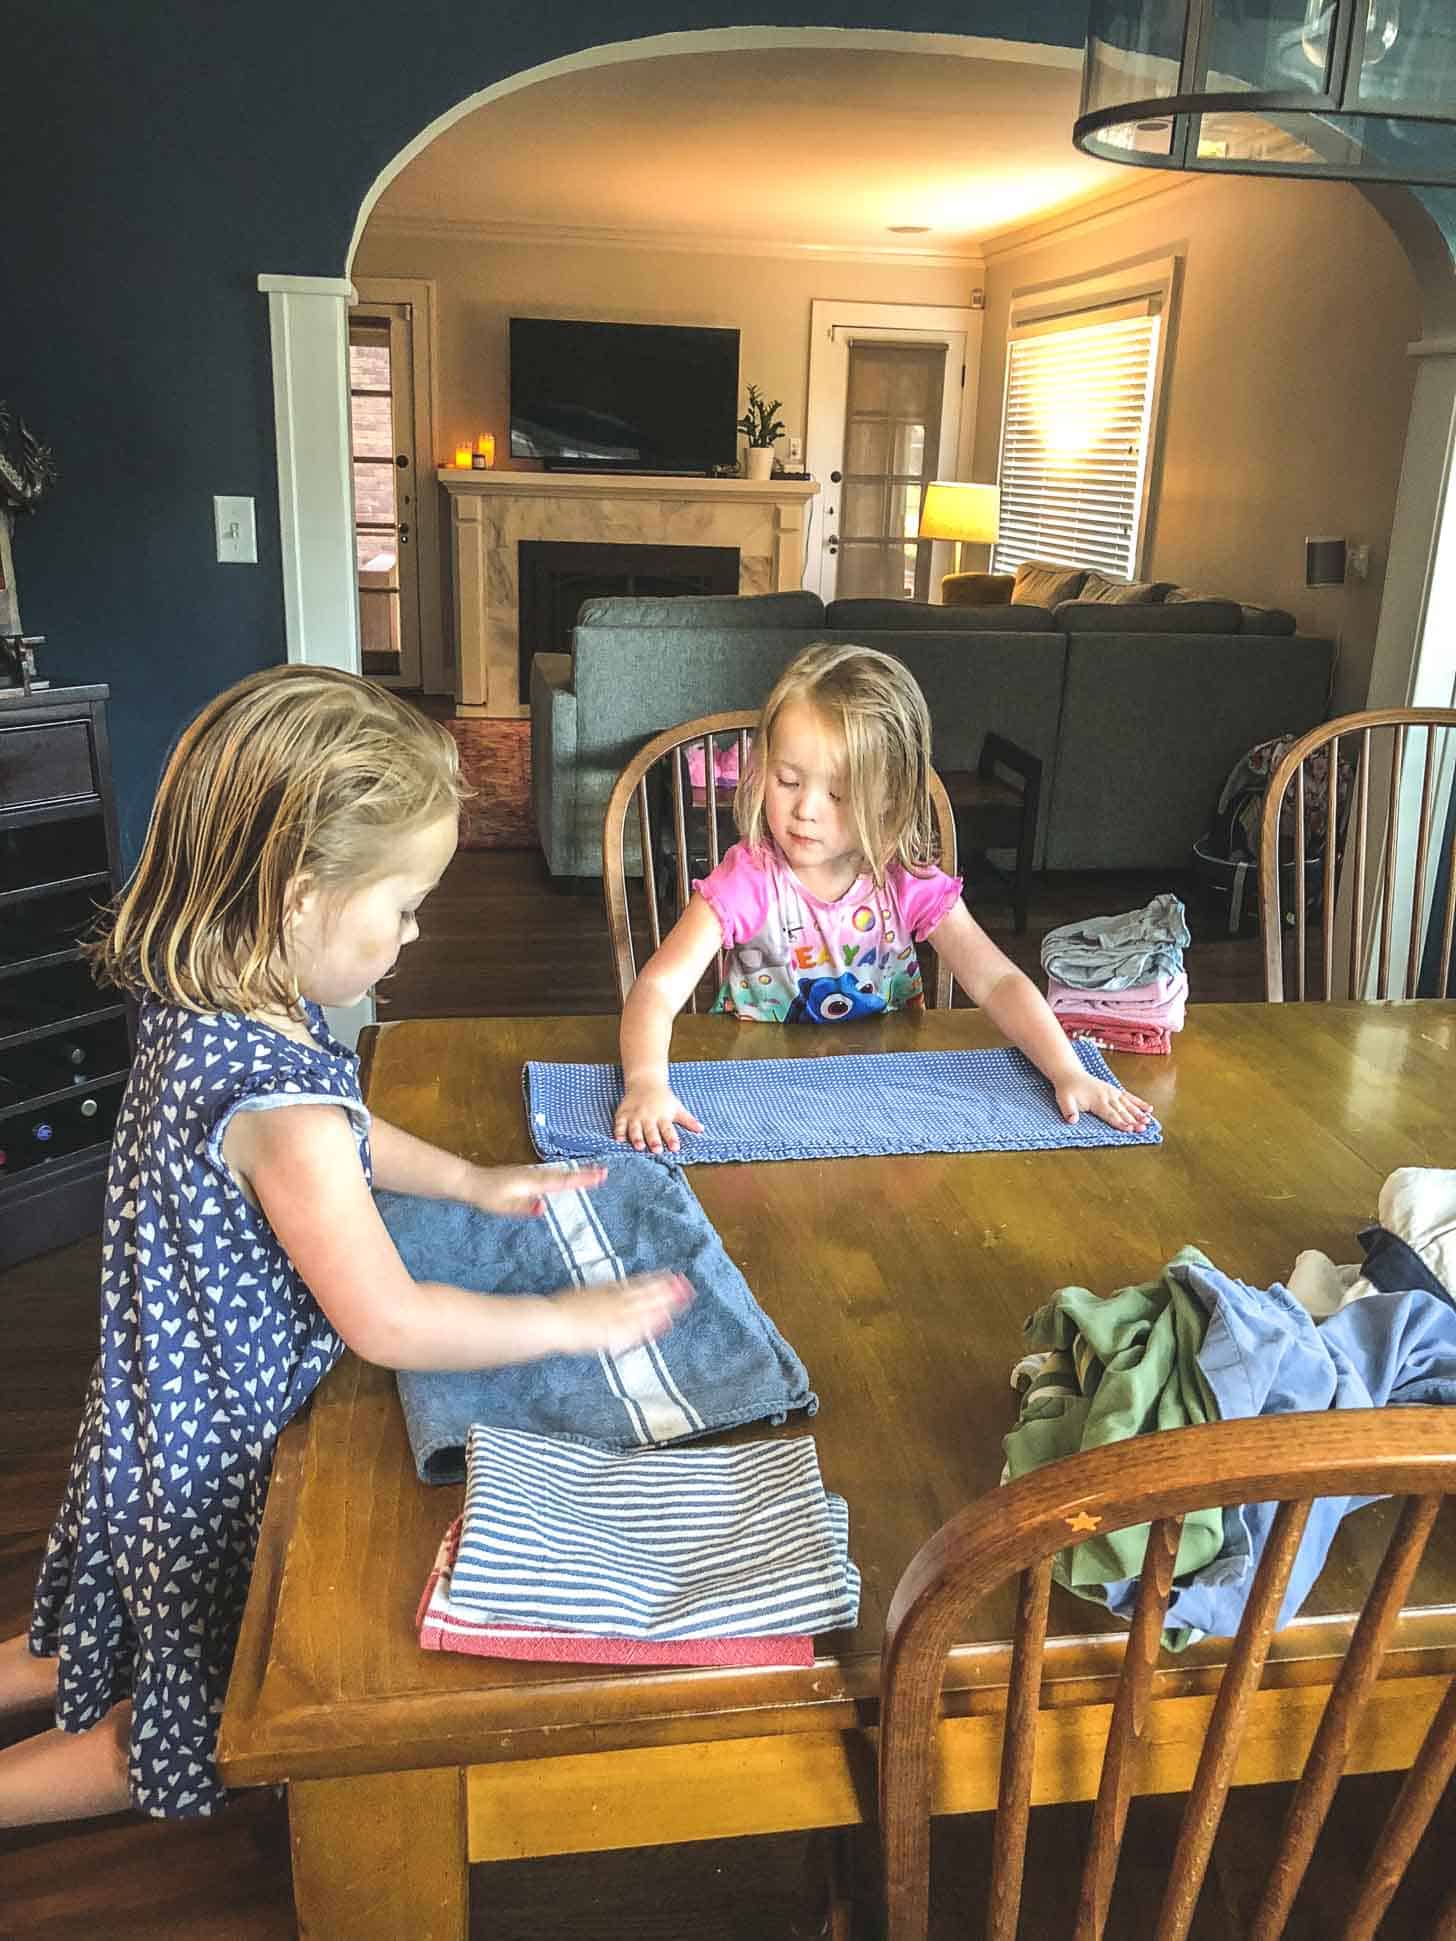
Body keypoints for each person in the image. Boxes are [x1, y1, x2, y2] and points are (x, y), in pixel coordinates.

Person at [0, 665, 687, 1828]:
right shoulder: (279, 1101)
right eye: (405, 903)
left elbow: (343, 1131)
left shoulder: (216, 1003)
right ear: (300, 895)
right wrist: (574, 1319)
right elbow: (391, 1320)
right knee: (168, 1731)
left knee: (94, 1629)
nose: (416, 933)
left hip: (147, 1422)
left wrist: (468, 1178)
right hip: (209, 1466)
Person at [614, 642, 1152, 1154]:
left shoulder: (906, 883)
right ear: (760, 770)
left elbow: (998, 979)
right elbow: (658, 989)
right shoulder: (748, 880)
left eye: (838, 794)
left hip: (887, 1097)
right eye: (787, 780)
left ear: (889, 800)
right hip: (757, 1095)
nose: (806, 810)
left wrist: (1067, 1070)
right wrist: (645, 1083)